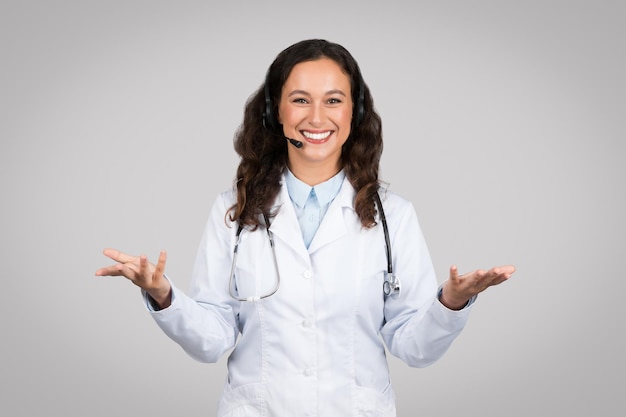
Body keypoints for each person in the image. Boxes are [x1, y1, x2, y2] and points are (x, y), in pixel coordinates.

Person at [96, 39, 515, 416]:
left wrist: (451, 303)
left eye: (334, 100)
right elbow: (212, 341)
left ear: (356, 111)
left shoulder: (394, 216)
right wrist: (163, 295)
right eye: (300, 100)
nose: (317, 117)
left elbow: (415, 348)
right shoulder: (233, 212)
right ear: (274, 110)